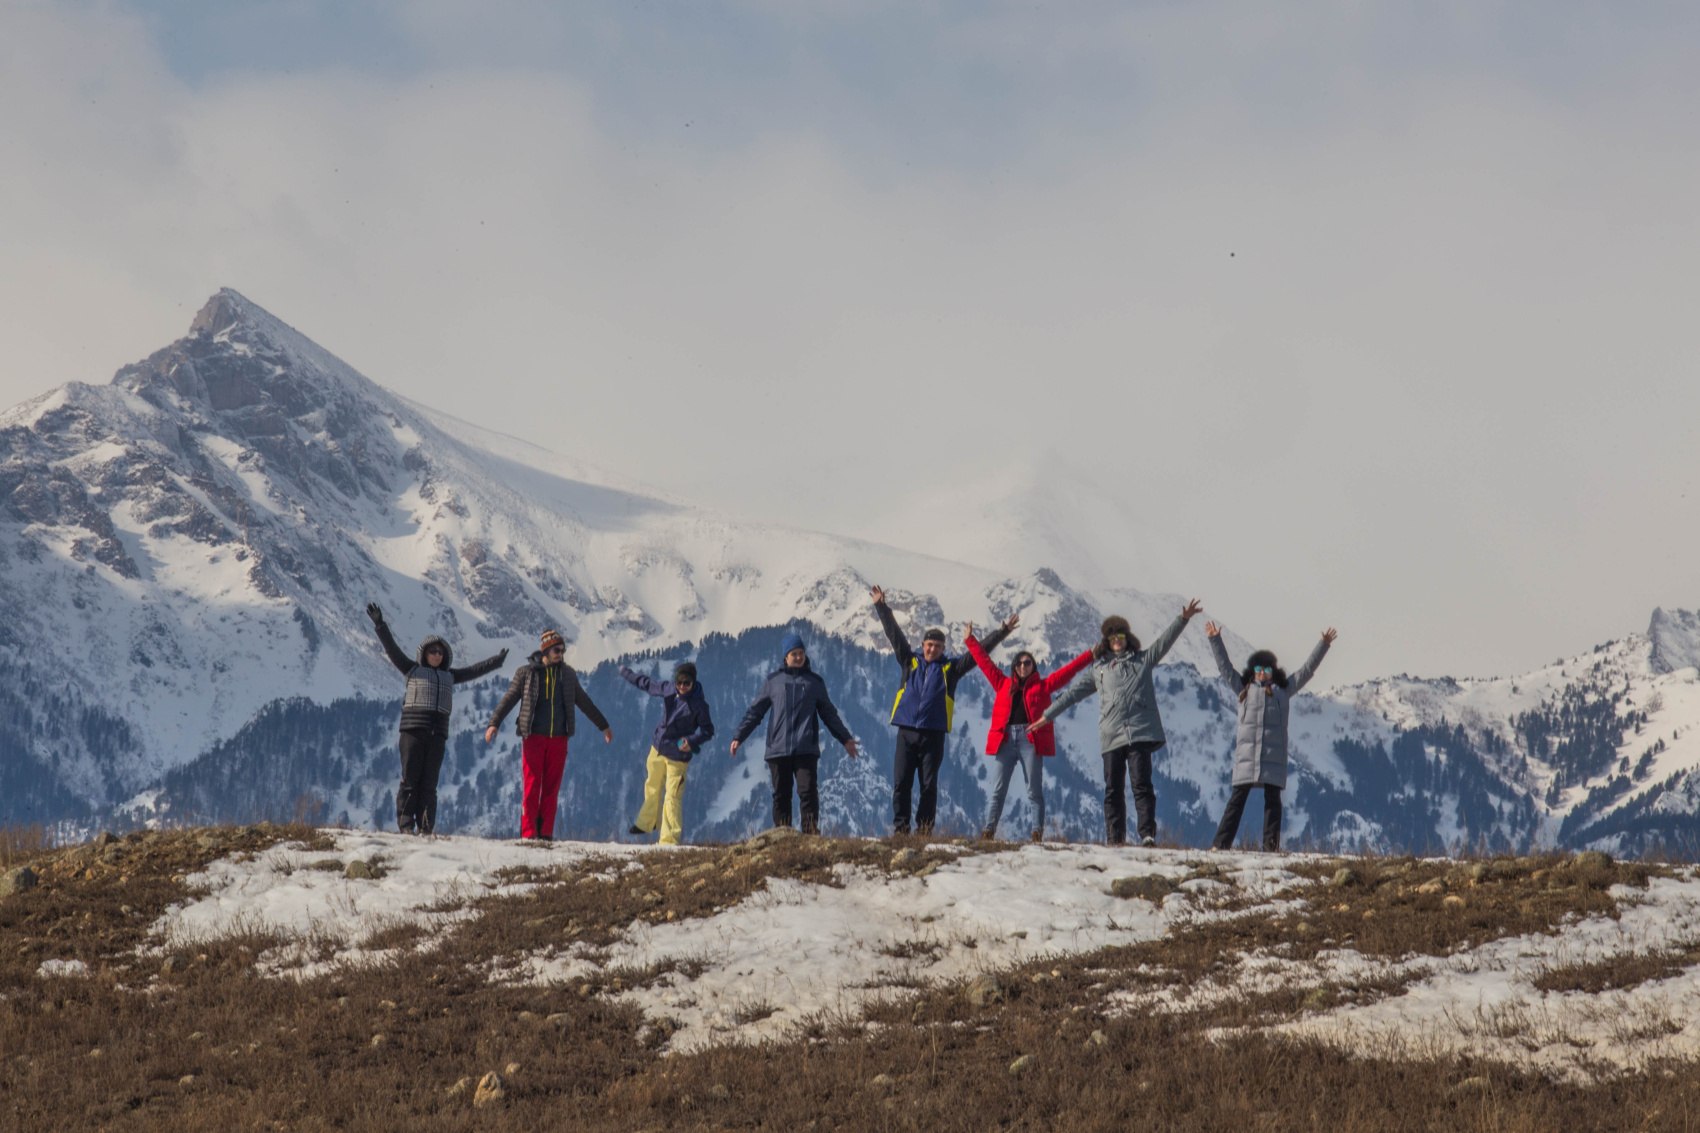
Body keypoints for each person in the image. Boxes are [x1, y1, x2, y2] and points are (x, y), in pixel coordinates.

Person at [1032, 601, 1203, 846]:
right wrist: (1047, 715)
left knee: (1142, 785)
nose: (1117, 641)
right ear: (1107, 641)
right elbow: (1072, 694)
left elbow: (1164, 642)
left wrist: (1182, 619)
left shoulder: (1143, 660)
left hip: (1139, 734)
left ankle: (1147, 834)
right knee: (1113, 789)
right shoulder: (1098, 669)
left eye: (1121, 636)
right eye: (1113, 637)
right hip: (1111, 736)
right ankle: (1115, 839)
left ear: (1127, 638)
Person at [870, 585, 1011, 836]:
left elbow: (977, 655)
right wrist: (881, 607)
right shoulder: (909, 661)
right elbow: (894, 634)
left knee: (928, 786)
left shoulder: (951, 669)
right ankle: (901, 830)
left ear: (944, 648)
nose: (932, 649)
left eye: (937, 646)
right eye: (929, 644)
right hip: (906, 731)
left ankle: (924, 831)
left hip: (933, 735)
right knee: (901, 783)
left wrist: (1001, 633)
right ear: (922, 645)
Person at [365, 602, 507, 835]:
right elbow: (392, 650)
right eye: (433, 651)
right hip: (412, 732)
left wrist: (497, 661)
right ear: (424, 653)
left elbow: (474, 670)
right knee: (410, 781)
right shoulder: (411, 669)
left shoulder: (450, 675)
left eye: (441, 652)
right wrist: (380, 625)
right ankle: (406, 826)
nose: (437, 655)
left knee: (429, 785)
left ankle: (426, 827)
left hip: (437, 734)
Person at [1206, 623, 1337, 852]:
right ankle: (1220, 844)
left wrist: (1323, 645)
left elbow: (1306, 670)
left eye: (1267, 669)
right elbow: (1225, 667)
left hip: (1272, 758)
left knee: (1273, 803)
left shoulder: (1283, 691)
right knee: (1237, 801)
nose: (1262, 672)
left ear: (1273, 671)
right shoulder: (1243, 690)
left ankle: (1270, 849)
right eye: (1258, 668)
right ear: (1252, 670)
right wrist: (1215, 639)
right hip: (1247, 757)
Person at [963, 614, 1094, 842]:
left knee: (1034, 790)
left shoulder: (1044, 686)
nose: (1023, 666)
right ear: (1014, 667)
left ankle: (1036, 834)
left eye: (1027, 663)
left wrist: (1091, 655)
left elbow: (1069, 670)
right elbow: (984, 662)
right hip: (1005, 739)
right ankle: (988, 832)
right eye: (1019, 663)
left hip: (1029, 739)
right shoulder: (1002, 683)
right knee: (998, 790)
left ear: (1033, 666)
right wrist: (970, 641)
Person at [484, 629, 612, 842]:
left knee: (552, 789)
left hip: (559, 739)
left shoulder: (568, 675)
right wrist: (494, 723)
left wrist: (603, 725)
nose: (560, 654)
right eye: (556, 650)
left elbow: (584, 701)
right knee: (532, 787)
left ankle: (545, 834)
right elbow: (509, 699)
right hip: (533, 737)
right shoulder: (526, 673)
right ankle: (528, 835)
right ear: (545, 650)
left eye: (562, 650)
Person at [729, 631, 861, 834]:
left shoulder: (815, 683)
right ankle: (783, 835)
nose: (799, 657)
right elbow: (755, 712)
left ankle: (810, 835)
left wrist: (845, 738)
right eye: (794, 654)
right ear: (786, 657)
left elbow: (829, 714)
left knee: (808, 793)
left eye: (801, 653)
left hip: (805, 748)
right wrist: (739, 736)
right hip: (778, 749)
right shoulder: (773, 681)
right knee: (781, 795)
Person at [620, 661, 715, 846]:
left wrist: (691, 741)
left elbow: (708, 731)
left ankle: (669, 840)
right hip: (657, 748)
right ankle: (647, 823)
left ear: (694, 682)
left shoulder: (699, 705)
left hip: (678, 757)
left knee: (672, 797)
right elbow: (646, 683)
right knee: (652, 785)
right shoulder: (669, 689)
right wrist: (625, 673)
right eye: (679, 682)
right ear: (675, 680)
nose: (682, 686)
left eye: (686, 683)